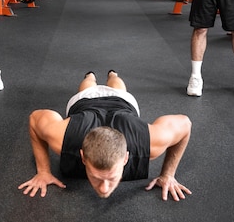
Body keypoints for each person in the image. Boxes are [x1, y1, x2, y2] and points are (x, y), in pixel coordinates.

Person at [18, 70, 192, 201]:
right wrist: (43, 171)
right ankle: (90, 75)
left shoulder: (149, 143)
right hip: (86, 100)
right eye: (95, 178)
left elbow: (185, 124)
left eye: (111, 178)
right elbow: (34, 120)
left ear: (125, 158)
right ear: (83, 157)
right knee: (88, 85)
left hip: (122, 101)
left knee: (117, 85)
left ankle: (112, 73)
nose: (104, 188)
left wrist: (168, 174)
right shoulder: (62, 138)